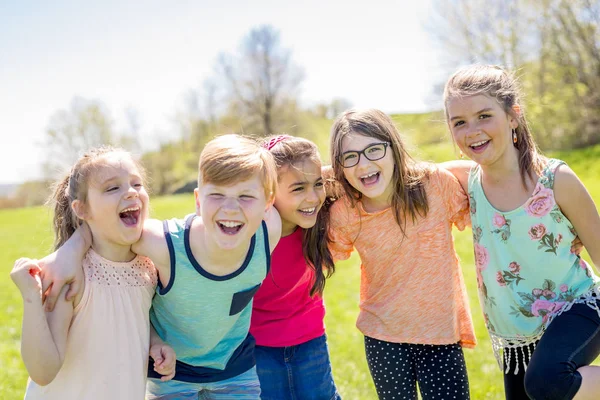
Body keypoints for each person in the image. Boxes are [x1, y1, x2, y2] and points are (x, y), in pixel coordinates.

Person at [38, 134, 281, 399]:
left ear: (268, 204)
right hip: (171, 372)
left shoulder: (269, 232)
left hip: (235, 368)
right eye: (217, 195)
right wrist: (68, 253)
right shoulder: (162, 244)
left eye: (246, 196)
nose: (231, 208)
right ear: (198, 200)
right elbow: (106, 228)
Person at [442, 64, 600, 400]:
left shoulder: (556, 179)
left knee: (547, 382)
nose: (472, 131)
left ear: (513, 116)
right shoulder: (465, 180)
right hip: (516, 334)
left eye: (485, 115)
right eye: (459, 122)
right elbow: (402, 174)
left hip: (578, 307)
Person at [328, 109, 476, 400]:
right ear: (339, 166)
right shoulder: (344, 212)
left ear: (393, 148)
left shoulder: (435, 185)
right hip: (383, 336)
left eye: (373, 149)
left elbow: (487, 196)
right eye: (350, 157)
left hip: (439, 335)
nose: (364, 164)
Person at [10, 146, 176, 400]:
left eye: (137, 184)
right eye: (112, 188)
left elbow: (131, 322)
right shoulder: (72, 275)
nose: (131, 191)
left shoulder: (148, 268)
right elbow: (43, 371)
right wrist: (32, 299)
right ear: (82, 210)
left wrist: (155, 342)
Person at [251, 134, 341, 400]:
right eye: (298, 188)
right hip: (259, 347)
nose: (313, 198)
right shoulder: (250, 234)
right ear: (268, 192)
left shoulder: (319, 221)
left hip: (310, 341)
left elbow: (353, 176)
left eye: (317, 184)